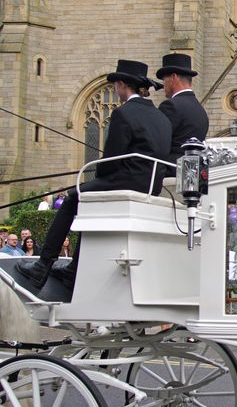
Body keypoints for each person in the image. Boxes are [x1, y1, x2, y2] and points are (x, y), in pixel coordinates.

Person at [16, 59, 171, 289]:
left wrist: (100, 174)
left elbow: (109, 162)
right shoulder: (162, 118)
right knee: (87, 202)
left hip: (124, 183)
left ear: (121, 85)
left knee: (72, 198)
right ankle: (74, 268)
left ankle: (43, 265)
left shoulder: (124, 114)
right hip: (150, 185)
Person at [156, 53, 209, 176]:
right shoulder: (200, 109)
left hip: (170, 172)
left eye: (164, 79)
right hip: (191, 172)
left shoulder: (171, 106)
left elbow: (158, 144)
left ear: (174, 77)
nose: (163, 84)